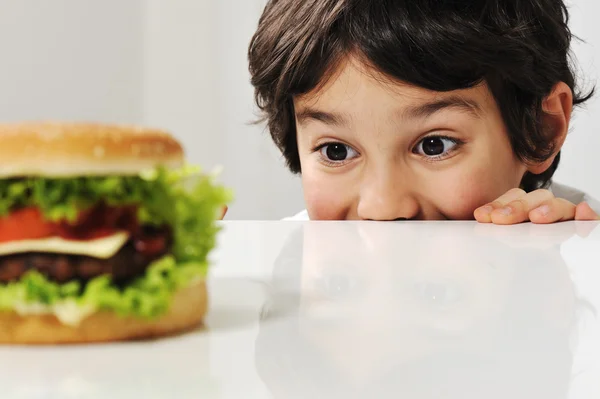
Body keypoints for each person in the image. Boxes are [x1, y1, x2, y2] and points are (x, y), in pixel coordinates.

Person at [248, 0, 600, 223]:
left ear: (541, 129)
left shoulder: (580, 236)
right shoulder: (289, 272)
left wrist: (564, 273)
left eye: (434, 145)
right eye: (335, 151)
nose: (382, 208)